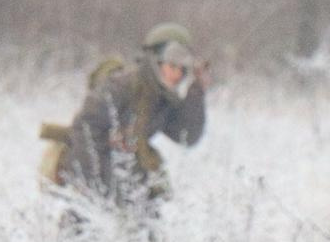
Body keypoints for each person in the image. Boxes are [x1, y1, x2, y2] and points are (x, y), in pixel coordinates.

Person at [43, 23, 209, 210]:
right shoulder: (121, 86)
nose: (177, 74)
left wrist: (196, 92)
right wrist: (93, 187)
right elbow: (85, 128)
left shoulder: (164, 99)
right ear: (155, 60)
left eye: (182, 68)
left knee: (145, 225)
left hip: (129, 180)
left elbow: (186, 135)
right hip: (91, 170)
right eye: (172, 65)